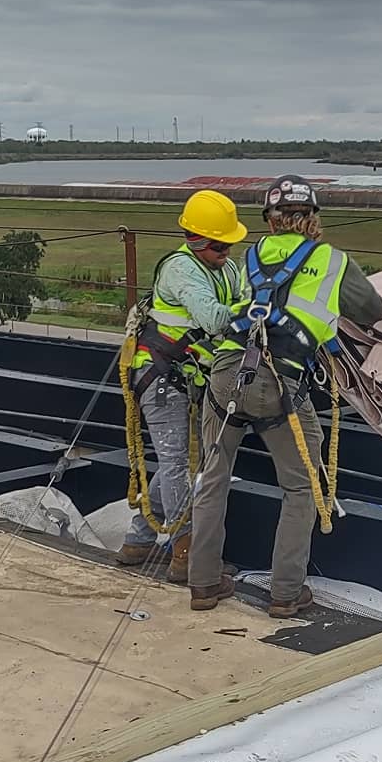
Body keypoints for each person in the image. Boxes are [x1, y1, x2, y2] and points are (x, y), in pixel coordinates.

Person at [188, 175, 382, 617]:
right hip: (282, 383)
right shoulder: (332, 261)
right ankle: (285, 591)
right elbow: (373, 311)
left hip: (226, 373)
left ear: (272, 220)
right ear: (312, 218)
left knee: (212, 478)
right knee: (301, 487)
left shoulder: (250, 255)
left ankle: (202, 583)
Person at [119, 189, 248, 583]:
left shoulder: (224, 269)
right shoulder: (181, 269)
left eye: (230, 244)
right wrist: (253, 312)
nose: (226, 250)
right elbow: (212, 319)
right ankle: (187, 555)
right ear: (196, 239)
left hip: (188, 377)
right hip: (160, 376)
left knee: (177, 464)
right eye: (219, 244)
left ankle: (138, 542)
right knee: (176, 465)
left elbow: (240, 301)